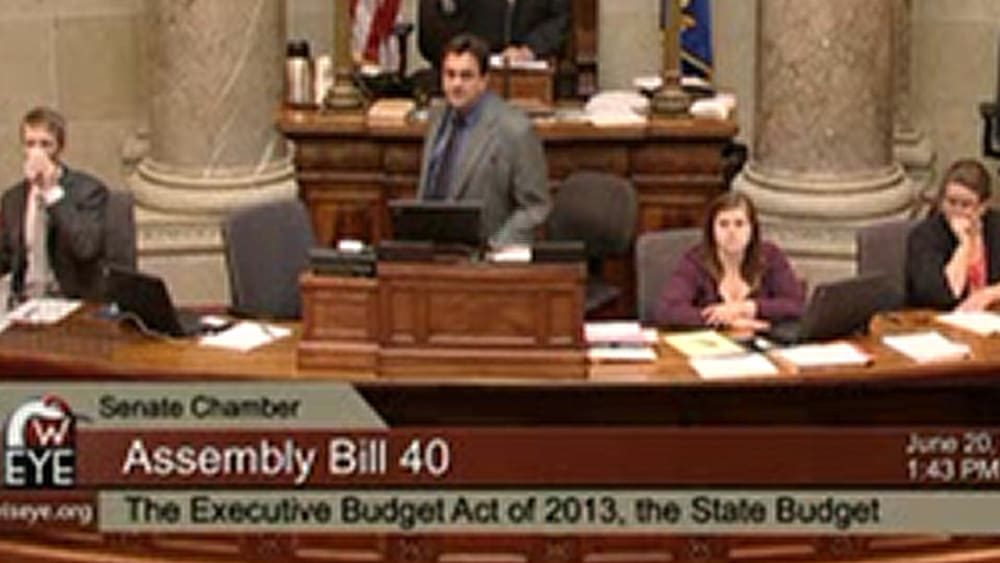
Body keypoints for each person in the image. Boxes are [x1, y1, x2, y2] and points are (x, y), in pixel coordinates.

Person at [416, 33, 551, 244]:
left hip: (485, 251)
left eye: (466, 76)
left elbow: (536, 207)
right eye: (450, 75)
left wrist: (497, 246)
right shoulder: (438, 119)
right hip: (433, 249)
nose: (456, 84)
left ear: (484, 80)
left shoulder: (514, 129)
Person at [0, 106, 109, 303]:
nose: (37, 153)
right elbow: (5, 258)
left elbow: (86, 249)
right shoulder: (12, 199)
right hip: (25, 301)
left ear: (60, 147)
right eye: (30, 144)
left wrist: (51, 192)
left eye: (45, 144)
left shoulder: (89, 191)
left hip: (69, 300)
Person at [655, 191, 805, 330]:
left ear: (752, 229)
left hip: (762, 343)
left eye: (739, 224)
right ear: (712, 230)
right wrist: (726, 321)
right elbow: (668, 311)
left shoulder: (770, 256)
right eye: (723, 224)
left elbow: (795, 305)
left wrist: (746, 308)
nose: (731, 232)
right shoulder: (695, 261)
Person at [906, 158, 1000, 311]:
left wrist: (988, 294)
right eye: (951, 202)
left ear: (982, 207)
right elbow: (941, 297)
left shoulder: (995, 227)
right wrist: (964, 244)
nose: (957, 211)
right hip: (940, 317)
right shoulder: (925, 236)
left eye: (966, 205)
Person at [418, 0, 570, 69]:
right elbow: (432, 41)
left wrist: (530, 49)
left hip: (531, 75)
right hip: (467, 70)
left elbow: (561, 19)